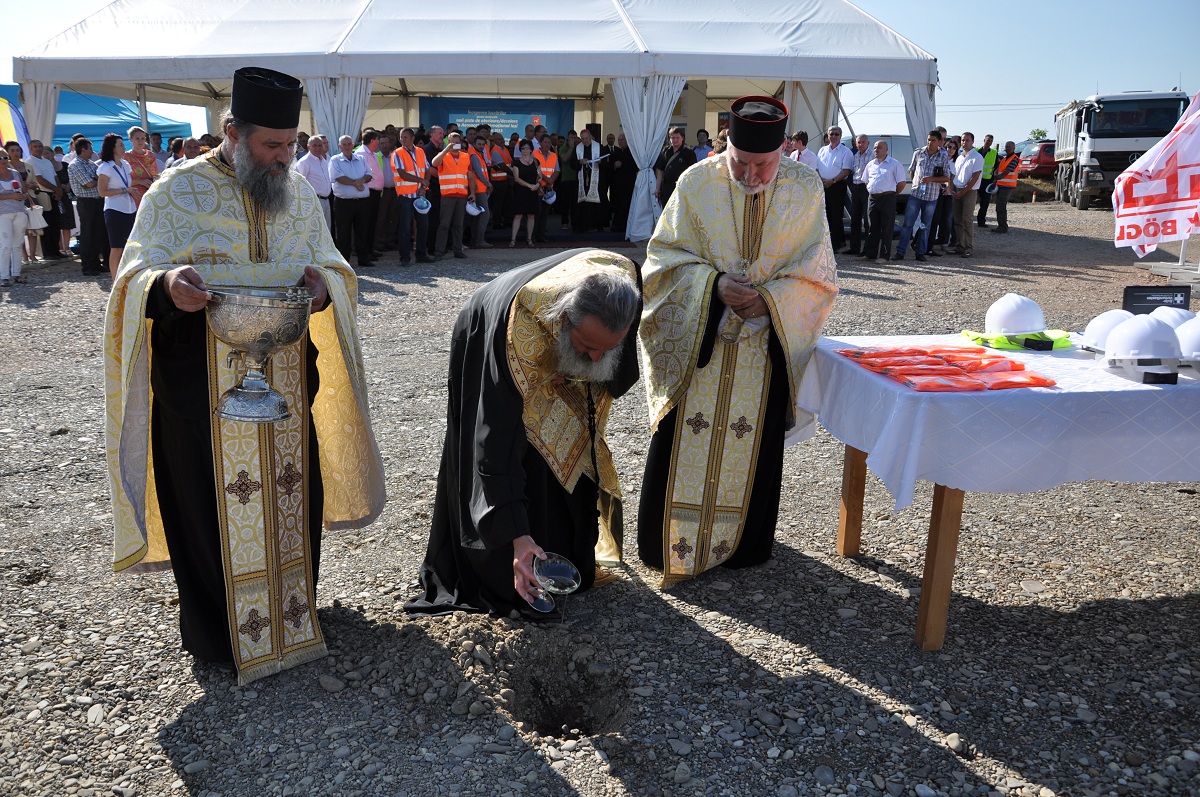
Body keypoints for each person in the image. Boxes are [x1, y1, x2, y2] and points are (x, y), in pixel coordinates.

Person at [103, 66, 385, 684]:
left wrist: (323, 286)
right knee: (205, 501)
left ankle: (290, 615)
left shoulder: (300, 193)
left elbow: (334, 265)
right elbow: (133, 277)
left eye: (290, 144)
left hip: (285, 378)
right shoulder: (175, 192)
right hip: (198, 386)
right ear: (232, 132)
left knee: (291, 489)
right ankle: (220, 631)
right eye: (271, 145)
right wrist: (165, 285)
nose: (284, 158)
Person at [637, 96, 838, 586]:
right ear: (725, 143)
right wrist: (712, 286)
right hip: (700, 350)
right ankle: (667, 537)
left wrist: (772, 299)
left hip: (762, 349)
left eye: (763, 164)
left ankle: (745, 543)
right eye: (741, 163)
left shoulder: (806, 186)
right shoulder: (695, 182)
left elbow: (819, 272)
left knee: (755, 443)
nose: (750, 175)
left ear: (783, 151)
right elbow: (662, 261)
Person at [405, 248, 641, 617]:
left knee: (569, 424)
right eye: (587, 347)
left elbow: (612, 370)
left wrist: (582, 361)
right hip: (488, 322)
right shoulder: (519, 332)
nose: (597, 360)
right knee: (516, 438)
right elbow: (494, 440)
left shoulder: (626, 287)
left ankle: (563, 546)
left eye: (607, 349)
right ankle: (512, 556)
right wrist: (516, 535)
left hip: (559, 329)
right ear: (562, 320)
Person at [894, 130, 952, 263]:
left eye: (933, 140)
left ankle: (920, 252)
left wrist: (930, 179)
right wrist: (916, 183)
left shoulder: (943, 156)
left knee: (925, 226)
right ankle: (900, 252)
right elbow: (912, 170)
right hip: (916, 195)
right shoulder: (919, 153)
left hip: (931, 197)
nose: (930, 143)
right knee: (907, 224)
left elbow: (946, 178)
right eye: (928, 140)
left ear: (939, 142)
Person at [328, 134, 374, 268]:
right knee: (343, 233)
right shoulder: (335, 160)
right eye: (344, 144)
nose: (347, 146)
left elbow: (369, 174)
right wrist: (356, 183)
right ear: (339, 146)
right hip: (344, 203)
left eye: (349, 144)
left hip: (362, 201)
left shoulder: (361, 159)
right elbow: (338, 177)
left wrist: (361, 181)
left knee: (362, 231)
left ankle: (363, 259)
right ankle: (344, 262)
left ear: (353, 145)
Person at [97, 133, 138, 279]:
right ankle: (115, 280)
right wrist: (123, 190)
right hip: (114, 210)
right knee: (117, 247)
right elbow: (102, 192)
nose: (124, 147)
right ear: (113, 148)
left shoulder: (126, 165)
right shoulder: (105, 167)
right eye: (120, 145)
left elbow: (128, 183)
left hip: (130, 208)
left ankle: (129, 276)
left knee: (131, 246)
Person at [390, 127, 433, 264]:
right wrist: (420, 181)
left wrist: (423, 186)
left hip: (420, 194)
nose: (402, 140)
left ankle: (421, 254)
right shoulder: (397, 153)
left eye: (405, 137)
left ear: (412, 138)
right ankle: (405, 257)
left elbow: (427, 170)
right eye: (401, 137)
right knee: (405, 227)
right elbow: (402, 174)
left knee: (423, 225)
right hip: (405, 196)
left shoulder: (420, 151)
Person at [67, 137, 110, 276]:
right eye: (90, 148)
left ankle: (96, 263)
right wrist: (98, 179)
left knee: (99, 233)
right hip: (86, 202)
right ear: (83, 149)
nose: (92, 151)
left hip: (97, 201)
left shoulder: (91, 164)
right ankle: (88, 266)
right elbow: (89, 183)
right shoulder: (75, 165)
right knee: (88, 234)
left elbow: (103, 179)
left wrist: (97, 179)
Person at [860, 140, 907, 263]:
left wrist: (892, 194)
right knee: (872, 227)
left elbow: (901, 183)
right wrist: (873, 190)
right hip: (873, 198)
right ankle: (870, 254)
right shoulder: (870, 164)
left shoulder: (894, 164)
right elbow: (866, 181)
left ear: (886, 150)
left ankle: (884, 256)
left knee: (886, 228)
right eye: (875, 148)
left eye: (879, 147)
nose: (876, 150)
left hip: (888, 198)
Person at [431, 131, 475, 259]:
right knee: (444, 224)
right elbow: (434, 163)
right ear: (448, 142)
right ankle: (439, 251)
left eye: (457, 142)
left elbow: (470, 177)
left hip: (461, 194)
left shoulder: (466, 156)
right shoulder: (443, 155)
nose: (455, 144)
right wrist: (446, 150)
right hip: (448, 195)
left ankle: (457, 250)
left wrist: (472, 192)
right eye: (452, 142)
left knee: (458, 225)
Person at [816, 125, 854, 252]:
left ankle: (837, 243)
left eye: (836, 134)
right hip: (823, 184)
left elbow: (846, 170)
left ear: (840, 136)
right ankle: (828, 241)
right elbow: (817, 167)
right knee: (825, 214)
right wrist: (822, 180)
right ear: (827, 135)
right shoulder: (822, 150)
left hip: (837, 185)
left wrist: (832, 181)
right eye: (831, 134)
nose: (833, 137)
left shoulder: (845, 152)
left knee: (836, 215)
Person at [952, 132, 983, 258]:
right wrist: (953, 189)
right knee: (957, 220)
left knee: (967, 220)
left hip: (969, 191)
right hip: (957, 190)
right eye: (963, 140)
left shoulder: (977, 157)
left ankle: (968, 247)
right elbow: (955, 174)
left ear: (973, 142)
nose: (965, 142)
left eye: (967, 140)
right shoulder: (959, 157)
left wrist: (963, 192)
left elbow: (975, 177)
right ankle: (960, 246)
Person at [0, 149, 28, 287]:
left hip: (19, 211)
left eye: (5, 157)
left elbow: (23, 190)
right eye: (0, 158)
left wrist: (23, 195)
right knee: (5, 245)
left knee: (17, 244)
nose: (3, 160)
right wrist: (10, 196)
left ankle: (16, 273)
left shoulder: (15, 173)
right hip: (3, 213)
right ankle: (4, 276)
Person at [570, 128, 605, 233]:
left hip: (596, 179)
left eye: (586, 138)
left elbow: (606, 163)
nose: (584, 141)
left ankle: (599, 225)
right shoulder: (577, 148)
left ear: (590, 137)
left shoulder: (599, 147)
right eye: (582, 139)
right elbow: (572, 164)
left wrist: (600, 162)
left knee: (597, 201)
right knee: (582, 202)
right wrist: (580, 162)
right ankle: (580, 226)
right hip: (582, 178)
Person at [928, 137, 958, 256]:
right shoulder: (940, 158)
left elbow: (952, 178)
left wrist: (949, 188)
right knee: (936, 218)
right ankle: (933, 241)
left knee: (947, 219)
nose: (951, 149)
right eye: (949, 147)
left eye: (954, 148)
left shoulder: (956, 162)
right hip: (938, 191)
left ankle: (944, 242)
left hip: (949, 194)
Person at [653, 127, 697, 209]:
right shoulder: (665, 151)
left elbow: (693, 172)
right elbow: (660, 171)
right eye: (673, 138)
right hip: (667, 187)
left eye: (677, 137)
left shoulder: (689, 152)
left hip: (682, 188)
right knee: (666, 210)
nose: (675, 140)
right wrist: (657, 188)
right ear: (669, 139)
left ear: (682, 138)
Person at [509, 139, 542, 247]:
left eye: (527, 148)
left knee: (531, 215)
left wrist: (537, 184)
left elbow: (539, 176)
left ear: (531, 149)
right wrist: (529, 185)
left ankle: (529, 238)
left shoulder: (536, 161)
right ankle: (513, 239)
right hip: (521, 191)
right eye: (523, 148)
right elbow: (516, 178)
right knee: (518, 215)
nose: (525, 150)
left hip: (533, 192)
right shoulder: (517, 163)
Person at [295, 134, 332, 229]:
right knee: (315, 229)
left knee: (326, 230)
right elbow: (299, 183)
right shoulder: (304, 162)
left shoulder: (323, 161)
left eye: (320, 145)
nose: (317, 148)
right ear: (308, 147)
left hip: (326, 200)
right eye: (314, 145)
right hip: (313, 201)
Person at [846, 133, 871, 255]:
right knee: (854, 219)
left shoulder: (872, 156)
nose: (861, 144)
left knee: (867, 220)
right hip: (855, 188)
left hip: (866, 189)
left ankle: (867, 249)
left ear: (868, 143)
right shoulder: (855, 156)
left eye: (863, 142)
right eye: (859, 142)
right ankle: (854, 247)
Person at [124, 126, 160, 207]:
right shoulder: (126, 157)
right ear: (130, 139)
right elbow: (123, 181)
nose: (140, 141)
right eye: (137, 138)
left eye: (143, 138)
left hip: (152, 193)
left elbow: (156, 174)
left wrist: (155, 179)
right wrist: (140, 181)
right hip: (134, 196)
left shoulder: (150, 155)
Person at [991, 141, 1019, 234]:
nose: (1007, 148)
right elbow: (998, 169)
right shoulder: (1004, 159)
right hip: (1001, 185)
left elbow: (1007, 171)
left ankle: (1002, 227)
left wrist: (997, 177)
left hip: (1007, 186)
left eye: (1009, 147)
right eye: (1006, 147)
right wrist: (995, 178)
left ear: (1014, 148)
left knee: (1001, 206)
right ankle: (1001, 225)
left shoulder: (1014, 159)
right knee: (999, 206)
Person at [975, 134, 998, 228]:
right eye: (988, 140)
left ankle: (981, 221)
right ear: (984, 140)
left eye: (991, 141)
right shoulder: (976, 151)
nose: (989, 142)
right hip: (975, 179)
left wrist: (994, 179)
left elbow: (996, 167)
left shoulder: (994, 152)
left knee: (985, 202)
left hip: (987, 181)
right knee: (971, 201)